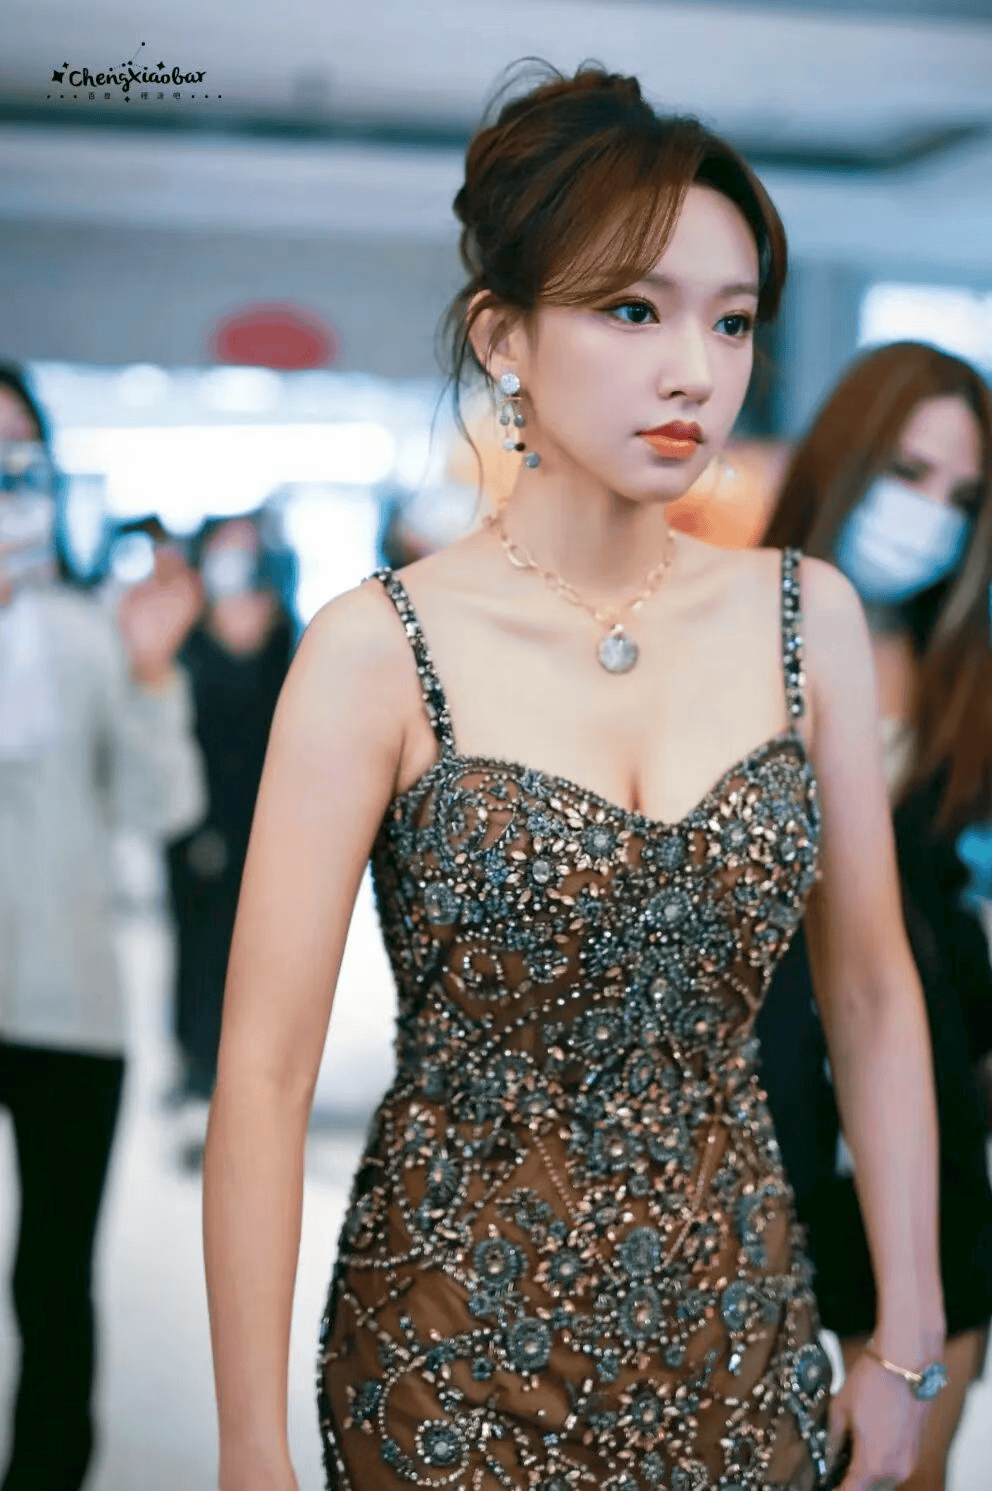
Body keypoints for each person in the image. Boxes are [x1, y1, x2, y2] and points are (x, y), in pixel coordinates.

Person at [203, 68, 947, 1491]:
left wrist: (906, 1330)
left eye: (732, 321)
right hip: (448, 1354)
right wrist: (248, 1446)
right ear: (505, 339)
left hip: (739, 1337)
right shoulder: (378, 648)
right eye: (633, 310)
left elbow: (868, 991)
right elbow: (265, 1067)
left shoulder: (809, 620)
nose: (696, 372)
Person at [758, 339, 992, 1491]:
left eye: (959, 496)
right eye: (905, 472)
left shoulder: (967, 689)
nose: (926, 516)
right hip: (748, 1140)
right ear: (844, 459)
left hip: (924, 1151)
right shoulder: (717, 642)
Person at [0, 363, 206, 1491]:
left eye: (15, 456)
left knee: (51, 1277)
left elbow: (159, 806)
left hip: (70, 1005)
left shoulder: (89, 633)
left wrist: (153, 669)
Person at [165, 513, 296, 1134]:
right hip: (192, 821)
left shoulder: (280, 634)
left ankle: (248, 1071)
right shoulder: (186, 633)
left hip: (260, 821)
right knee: (197, 947)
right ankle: (195, 1065)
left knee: (258, 951)